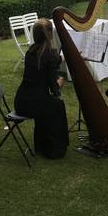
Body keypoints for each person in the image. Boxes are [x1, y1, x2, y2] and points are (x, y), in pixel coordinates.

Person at [14, 19, 69, 159]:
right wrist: (60, 82)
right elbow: (55, 89)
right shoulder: (49, 56)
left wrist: (61, 58)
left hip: (21, 102)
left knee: (49, 104)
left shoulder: (30, 52)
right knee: (57, 105)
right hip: (35, 104)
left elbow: (50, 60)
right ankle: (55, 149)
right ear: (50, 34)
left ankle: (42, 145)